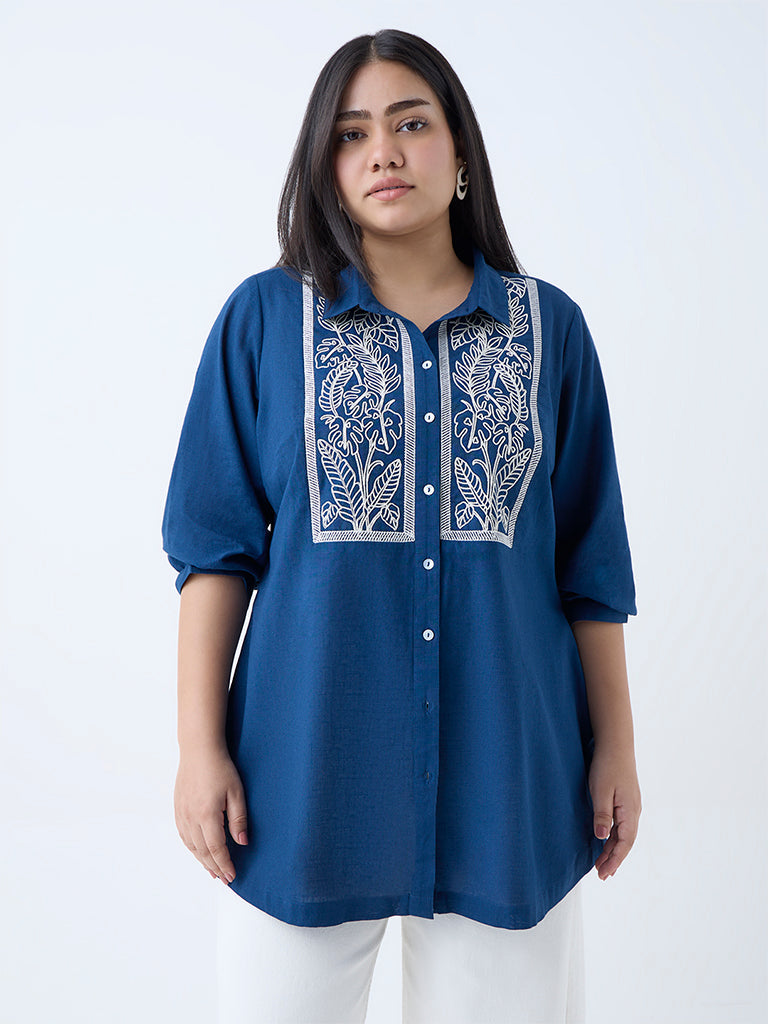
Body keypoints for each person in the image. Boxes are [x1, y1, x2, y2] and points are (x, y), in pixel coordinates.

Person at [161, 28, 641, 1024]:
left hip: (510, 780)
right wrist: (199, 749)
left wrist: (617, 747)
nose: (383, 151)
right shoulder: (263, 321)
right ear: (326, 168)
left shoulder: (551, 331)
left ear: (459, 149)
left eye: (411, 124)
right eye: (351, 134)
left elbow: (589, 565)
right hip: (299, 781)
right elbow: (214, 553)